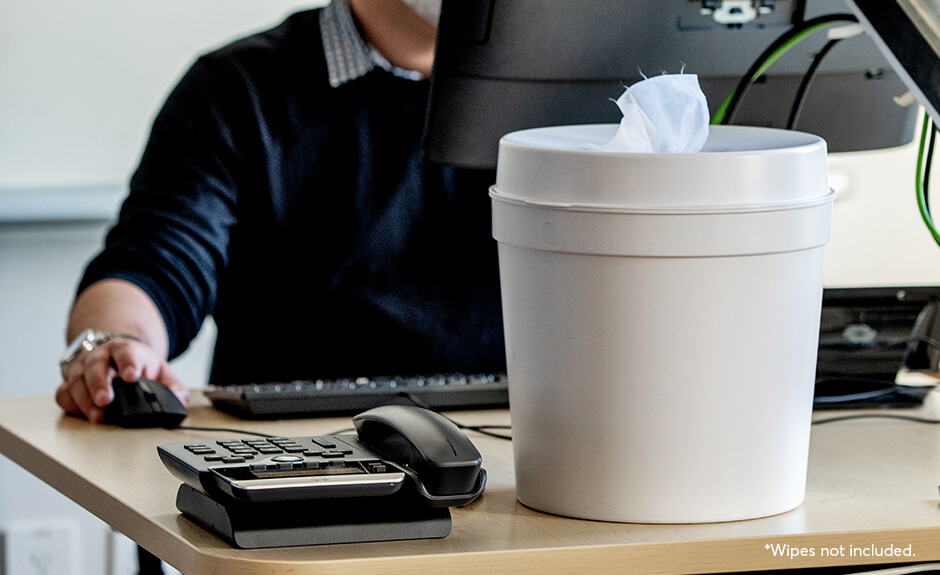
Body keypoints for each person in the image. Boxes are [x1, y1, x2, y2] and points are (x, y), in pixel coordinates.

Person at [56, 0, 506, 423]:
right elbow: (154, 264)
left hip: (522, 453)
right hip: (291, 461)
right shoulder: (236, 88)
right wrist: (118, 346)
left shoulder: (562, 92)